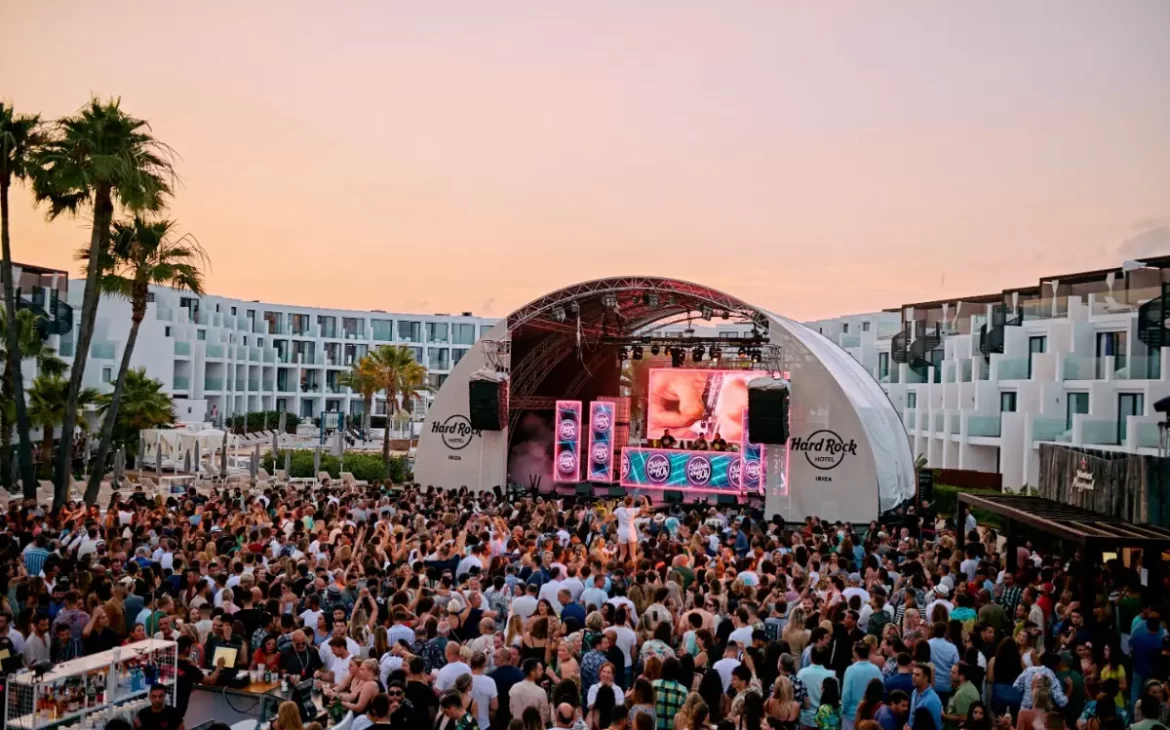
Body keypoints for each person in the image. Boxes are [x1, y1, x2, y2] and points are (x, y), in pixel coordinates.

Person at [842, 642, 883, 730]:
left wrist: (843, 711)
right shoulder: (876, 669)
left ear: (855, 653)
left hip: (851, 716)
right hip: (871, 715)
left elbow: (846, 695)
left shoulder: (850, 670)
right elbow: (881, 690)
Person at [510, 659, 550, 726]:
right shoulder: (540, 692)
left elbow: (512, 709)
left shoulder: (514, 688)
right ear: (532, 672)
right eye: (540, 670)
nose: (542, 672)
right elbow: (544, 716)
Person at [909, 664, 942, 730]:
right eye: (913, 674)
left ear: (926, 678)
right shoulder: (914, 692)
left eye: (917, 675)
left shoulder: (932, 700)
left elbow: (936, 725)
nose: (913, 677)